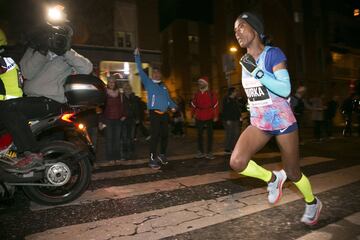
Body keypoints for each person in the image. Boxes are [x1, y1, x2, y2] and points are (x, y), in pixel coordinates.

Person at [230, 12, 322, 225]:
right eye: (235, 30)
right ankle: (272, 178)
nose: (237, 33)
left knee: (293, 171)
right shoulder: (244, 61)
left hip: (282, 122)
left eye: (241, 27)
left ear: (254, 29)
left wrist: (259, 73)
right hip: (260, 123)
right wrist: (250, 103)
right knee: (237, 162)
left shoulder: (273, 54)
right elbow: (256, 92)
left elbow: (285, 88)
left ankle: (312, 202)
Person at [0, 24, 93, 173]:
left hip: (50, 101)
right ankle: (10, 154)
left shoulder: (67, 54)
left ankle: (32, 154)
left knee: (8, 107)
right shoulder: (37, 49)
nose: (53, 37)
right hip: (31, 100)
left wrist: (65, 51)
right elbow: (26, 72)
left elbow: (87, 68)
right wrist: (42, 51)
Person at [134, 48, 177, 170]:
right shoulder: (148, 83)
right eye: (154, 73)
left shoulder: (164, 86)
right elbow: (140, 71)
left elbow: (168, 99)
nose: (156, 74)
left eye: (158, 73)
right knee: (155, 135)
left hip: (164, 114)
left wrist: (173, 106)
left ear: (160, 75)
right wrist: (137, 57)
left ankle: (162, 155)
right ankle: (152, 158)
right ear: (152, 75)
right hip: (154, 113)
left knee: (165, 135)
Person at [191, 76, 219, 159]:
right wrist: (192, 115)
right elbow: (193, 105)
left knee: (209, 135)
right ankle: (200, 152)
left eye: (201, 82)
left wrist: (216, 115)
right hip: (199, 116)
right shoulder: (196, 94)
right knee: (199, 135)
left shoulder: (211, 94)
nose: (200, 84)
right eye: (199, 82)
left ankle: (209, 152)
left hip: (209, 116)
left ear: (206, 83)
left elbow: (216, 105)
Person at [99, 77, 127, 161]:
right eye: (110, 82)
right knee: (109, 139)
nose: (111, 84)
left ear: (115, 83)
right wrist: (100, 121)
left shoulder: (119, 93)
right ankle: (110, 158)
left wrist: (124, 115)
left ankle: (117, 157)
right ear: (108, 83)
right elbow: (101, 108)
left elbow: (122, 105)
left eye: (113, 82)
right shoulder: (104, 93)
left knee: (117, 139)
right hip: (108, 119)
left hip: (118, 119)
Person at [222, 87, 242, 154]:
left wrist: (240, 116)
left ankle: (234, 148)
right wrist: (227, 119)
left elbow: (237, 109)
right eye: (235, 91)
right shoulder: (226, 99)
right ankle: (227, 149)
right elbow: (225, 110)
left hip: (236, 119)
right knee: (229, 134)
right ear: (232, 92)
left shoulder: (235, 99)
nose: (236, 92)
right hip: (229, 120)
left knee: (236, 134)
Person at [122, 82, 139, 159]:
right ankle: (125, 153)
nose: (127, 90)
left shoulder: (134, 97)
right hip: (124, 120)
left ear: (130, 89)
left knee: (131, 137)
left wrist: (137, 118)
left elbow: (137, 109)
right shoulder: (121, 98)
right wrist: (121, 116)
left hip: (132, 120)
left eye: (128, 88)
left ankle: (132, 152)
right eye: (126, 88)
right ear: (123, 90)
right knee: (125, 138)